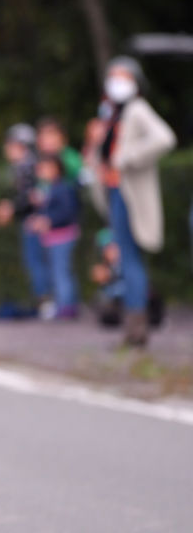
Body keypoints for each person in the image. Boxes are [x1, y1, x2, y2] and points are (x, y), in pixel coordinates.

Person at [87, 56, 176, 347]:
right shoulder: (112, 114)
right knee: (124, 259)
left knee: (129, 259)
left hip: (130, 196)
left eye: (123, 76)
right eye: (113, 76)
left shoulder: (136, 109)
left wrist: (127, 158)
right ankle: (133, 327)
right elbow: (99, 157)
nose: (117, 82)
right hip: (115, 192)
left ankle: (136, 328)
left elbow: (164, 138)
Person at [0, 122, 52, 318]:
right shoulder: (25, 166)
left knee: (37, 263)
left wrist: (11, 208)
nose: (6, 149)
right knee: (36, 263)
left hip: (36, 223)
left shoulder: (28, 166)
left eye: (10, 144)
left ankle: (47, 302)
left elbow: (32, 196)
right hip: (32, 221)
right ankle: (44, 301)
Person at [30, 153, 82, 318]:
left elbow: (67, 212)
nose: (42, 171)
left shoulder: (62, 188)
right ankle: (63, 303)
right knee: (56, 271)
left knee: (61, 272)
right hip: (52, 238)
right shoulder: (48, 189)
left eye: (45, 168)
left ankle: (67, 306)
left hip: (62, 236)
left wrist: (48, 221)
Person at [35, 116, 84, 183]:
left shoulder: (70, 159)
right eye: (41, 134)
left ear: (62, 137)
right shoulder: (38, 158)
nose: (44, 138)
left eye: (50, 133)